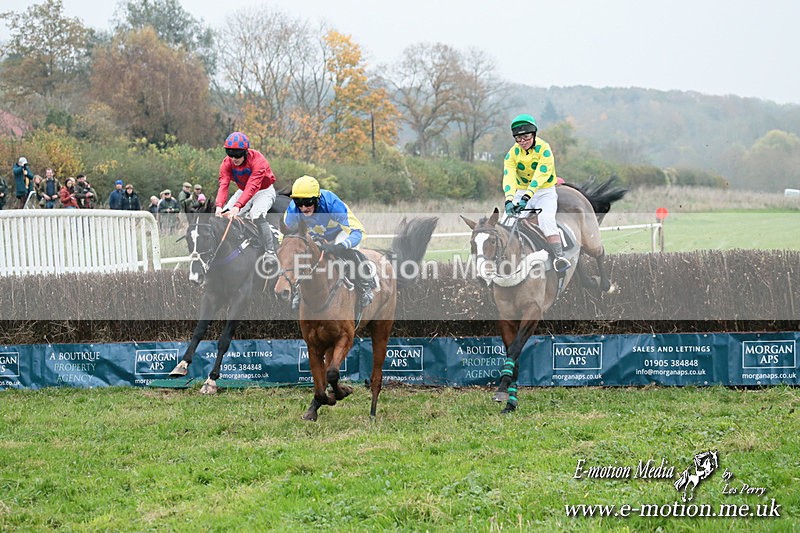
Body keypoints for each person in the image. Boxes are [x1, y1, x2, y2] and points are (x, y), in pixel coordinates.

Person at [283, 175, 375, 307]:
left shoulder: (333, 205)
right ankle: (297, 291)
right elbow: (286, 238)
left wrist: (340, 247)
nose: (303, 208)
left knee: (349, 252)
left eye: (308, 203)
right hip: (316, 237)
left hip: (340, 234)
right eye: (299, 203)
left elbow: (358, 232)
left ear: (317, 199)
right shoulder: (293, 210)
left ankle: (365, 286)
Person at [502, 114, 570, 272]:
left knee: (545, 220)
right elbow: (509, 177)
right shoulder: (512, 154)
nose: (522, 142)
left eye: (525, 137)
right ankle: (505, 259)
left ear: (533, 134)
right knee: (506, 222)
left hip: (544, 192)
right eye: (518, 139)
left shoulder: (544, 148)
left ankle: (559, 258)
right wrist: (509, 200)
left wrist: (528, 196)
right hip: (522, 192)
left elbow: (541, 175)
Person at [215, 131, 277, 266]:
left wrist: (238, 206)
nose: (234, 158)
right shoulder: (227, 163)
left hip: (263, 191)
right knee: (225, 215)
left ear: (245, 152)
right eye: (230, 154)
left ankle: (270, 251)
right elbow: (223, 185)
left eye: (237, 154)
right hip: (243, 190)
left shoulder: (258, 161)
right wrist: (219, 206)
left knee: (256, 214)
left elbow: (252, 186)